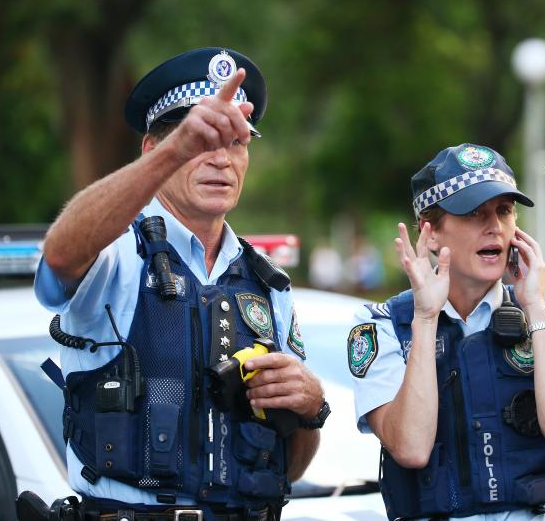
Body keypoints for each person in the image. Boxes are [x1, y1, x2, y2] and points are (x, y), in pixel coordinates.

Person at [31, 47, 330, 521]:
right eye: (201, 143)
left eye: (235, 142)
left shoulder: (266, 282)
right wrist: (176, 151)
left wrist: (311, 410)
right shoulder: (117, 256)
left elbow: (289, 468)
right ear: (153, 149)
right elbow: (61, 255)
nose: (220, 160)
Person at [348, 144, 545, 521]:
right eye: (473, 213)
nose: (494, 227)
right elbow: (411, 448)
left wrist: (534, 310)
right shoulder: (385, 325)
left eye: (504, 211)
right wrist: (424, 318)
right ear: (431, 233)